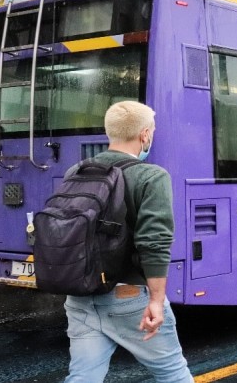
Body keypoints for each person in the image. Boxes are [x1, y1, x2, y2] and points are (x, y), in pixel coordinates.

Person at [63, 101, 193, 382]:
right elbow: (154, 242)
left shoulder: (76, 172)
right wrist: (157, 301)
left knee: (83, 377)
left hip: (80, 296)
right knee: (172, 372)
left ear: (109, 132)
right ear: (145, 135)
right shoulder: (151, 176)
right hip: (130, 296)